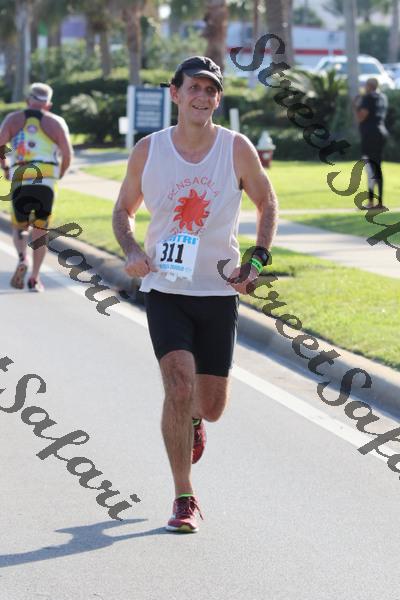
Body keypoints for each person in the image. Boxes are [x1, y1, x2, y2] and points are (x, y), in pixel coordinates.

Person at [113, 56, 278, 533]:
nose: (202, 97)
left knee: (211, 405)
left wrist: (257, 260)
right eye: (194, 88)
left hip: (218, 292)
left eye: (211, 90)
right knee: (179, 387)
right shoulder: (149, 150)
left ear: (217, 99)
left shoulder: (235, 148)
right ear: (175, 93)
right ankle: (184, 496)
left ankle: (194, 421)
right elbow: (123, 210)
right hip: (165, 288)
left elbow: (267, 201)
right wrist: (131, 250)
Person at [0, 82, 73, 291]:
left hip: (21, 177)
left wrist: (5, 167)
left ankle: (22, 258)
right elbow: (67, 154)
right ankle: (34, 278)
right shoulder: (56, 122)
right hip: (46, 181)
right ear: (48, 105)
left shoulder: (12, 119)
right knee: (40, 230)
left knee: (20, 226)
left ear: (27, 101)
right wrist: (60, 173)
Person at [356, 77, 389, 210]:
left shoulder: (367, 98)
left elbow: (362, 116)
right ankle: (379, 202)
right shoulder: (383, 97)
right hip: (381, 133)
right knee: (377, 167)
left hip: (370, 135)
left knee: (369, 168)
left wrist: (356, 107)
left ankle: (371, 202)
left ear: (369, 86)